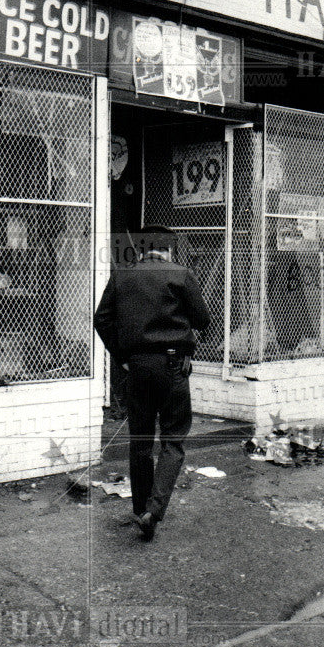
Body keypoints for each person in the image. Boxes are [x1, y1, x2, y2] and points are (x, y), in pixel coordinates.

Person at [94, 226, 211, 541]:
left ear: (143, 250)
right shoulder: (181, 274)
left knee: (141, 442)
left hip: (138, 366)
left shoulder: (122, 276)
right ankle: (154, 511)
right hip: (173, 366)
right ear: (169, 250)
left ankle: (139, 509)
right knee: (173, 440)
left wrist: (123, 357)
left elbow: (101, 319)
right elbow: (203, 320)